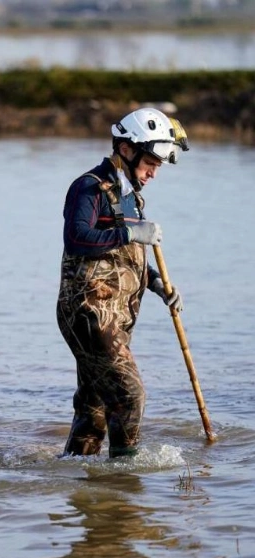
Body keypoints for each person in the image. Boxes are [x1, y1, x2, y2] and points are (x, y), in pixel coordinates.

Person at [57, 107, 189, 458]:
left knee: (94, 408)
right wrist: (130, 231)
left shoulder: (132, 197)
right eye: (151, 163)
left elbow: (123, 258)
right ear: (126, 149)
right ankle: (123, 486)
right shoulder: (89, 187)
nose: (153, 173)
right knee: (129, 396)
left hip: (115, 317)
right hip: (89, 314)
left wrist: (158, 284)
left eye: (158, 166)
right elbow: (77, 237)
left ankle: (82, 486)